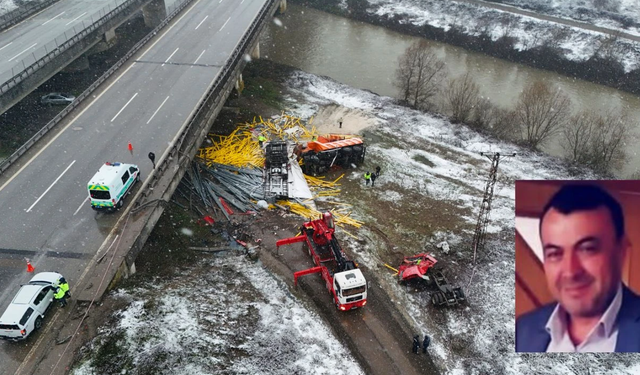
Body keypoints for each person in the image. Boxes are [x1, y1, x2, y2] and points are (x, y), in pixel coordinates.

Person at [516, 184, 640, 352]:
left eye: (587, 249)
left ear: (621, 250)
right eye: (555, 254)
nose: (570, 272)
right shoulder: (521, 332)